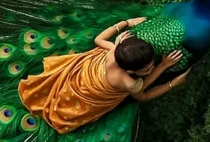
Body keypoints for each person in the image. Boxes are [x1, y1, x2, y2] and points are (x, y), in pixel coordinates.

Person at [17, 16, 190, 135]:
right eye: (147, 68)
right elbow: (143, 94)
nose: (151, 67)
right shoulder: (127, 82)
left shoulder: (114, 50)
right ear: (130, 71)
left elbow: (98, 40)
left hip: (89, 71)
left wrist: (126, 23)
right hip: (92, 91)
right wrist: (168, 75)